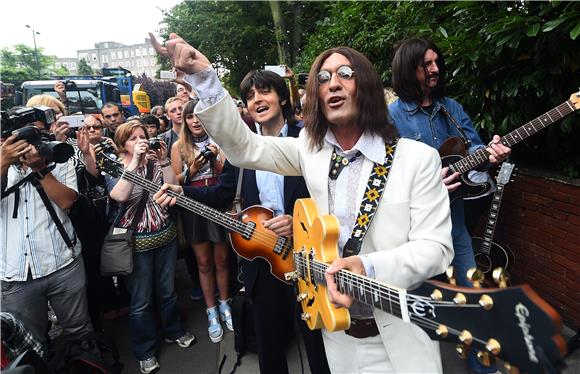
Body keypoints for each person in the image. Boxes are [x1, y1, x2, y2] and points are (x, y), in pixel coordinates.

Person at [152, 33, 455, 373]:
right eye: (323, 79)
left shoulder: (417, 159)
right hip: (336, 334)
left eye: (345, 74)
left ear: (367, 85)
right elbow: (245, 148)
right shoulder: (309, 152)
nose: (333, 84)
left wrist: (368, 267)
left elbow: (436, 248)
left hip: (399, 341)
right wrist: (205, 78)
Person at [155, 68, 331, 374]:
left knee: (316, 339)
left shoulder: (309, 141)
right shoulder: (241, 150)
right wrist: (182, 190)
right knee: (268, 341)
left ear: (282, 98)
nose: (257, 100)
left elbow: (331, 194)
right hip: (261, 259)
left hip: (306, 254)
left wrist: (299, 221)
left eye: (264, 92)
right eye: (250, 96)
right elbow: (223, 193)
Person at [389, 38, 511, 374]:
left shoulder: (451, 108)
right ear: (407, 68)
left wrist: (491, 154)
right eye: (425, 64)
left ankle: (484, 369)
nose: (435, 69)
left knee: (472, 301)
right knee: (417, 308)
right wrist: (425, 187)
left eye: (436, 62)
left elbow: (475, 155)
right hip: (410, 233)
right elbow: (383, 180)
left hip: (454, 225)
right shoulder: (390, 118)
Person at [107, 120, 195, 373]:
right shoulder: (116, 166)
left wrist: (165, 160)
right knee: (141, 300)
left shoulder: (155, 163)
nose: (139, 142)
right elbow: (120, 195)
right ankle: (145, 350)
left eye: (141, 136)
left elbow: (172, 190)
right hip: (136, 244)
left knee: (167, 293)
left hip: (165, 237)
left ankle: (173, 331)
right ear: (122, 145)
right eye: (133, 139)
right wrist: (134, 160)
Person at [1, 107, 93, 351]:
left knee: (80, 331)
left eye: (38, 136)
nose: (32, 144)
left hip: (62, 262)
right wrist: (4, 161)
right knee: (28, 343)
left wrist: (39, 168)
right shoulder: (2, 163)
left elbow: (66, 201)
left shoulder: (55, 155)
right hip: (15, 274)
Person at [171, 99, 233, 343]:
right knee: (204, 262)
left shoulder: (221, 140)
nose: (195, 120)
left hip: (217, 200)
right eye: (190, 116)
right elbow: (176, 181)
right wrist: (193, 169)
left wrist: (216, 159)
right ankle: (211, 312)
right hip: (193, 205)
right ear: (185, 121)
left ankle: (225, 304)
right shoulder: (179, 146)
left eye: (199, 115)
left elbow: (228, 175)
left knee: (222, 259)